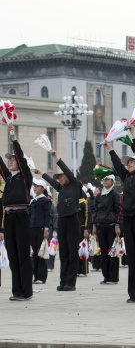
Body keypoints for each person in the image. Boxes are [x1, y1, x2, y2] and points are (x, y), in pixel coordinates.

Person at [105, 125, 135, 303]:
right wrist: (110, 149)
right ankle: (133, 293)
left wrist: (133, 136)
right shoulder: (127, 178)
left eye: (131, 162)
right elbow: (118, 165)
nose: (129, 164)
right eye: (129, 163)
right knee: (131, 258)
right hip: (129, 220)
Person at [37, 150, 81, 292]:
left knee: (72, 253)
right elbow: (50, 181)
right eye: (59, 177)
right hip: (62, 221)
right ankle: (63, 281)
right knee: (63, 254)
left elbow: (67, 171)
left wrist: (56, 158)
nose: (60, 179)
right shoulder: (60, 189)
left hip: (72, 221)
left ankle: (71, 282)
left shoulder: (74, 185)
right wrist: (42, 172)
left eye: (61, 176)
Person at [0, 123, 33, 301]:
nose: (10, 162)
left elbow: (19, 156)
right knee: (12, 255)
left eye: (12, 160)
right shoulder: (9, 178)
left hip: (21, 217)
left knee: (22, 255)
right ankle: (16, 290)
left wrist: (13, 135)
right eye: (9, 160)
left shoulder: (25, 176)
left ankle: (26, 291)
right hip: (10, 218)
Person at [91, 175, 121, 285]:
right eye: (104, 179)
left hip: (112, 225)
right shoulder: (99, 196)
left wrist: (117, 225)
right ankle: (106, 276)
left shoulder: (115, 195)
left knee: (112, 252)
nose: (105, 181)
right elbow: (95, 210)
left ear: (112, 181)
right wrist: (94, 224)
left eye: (107, 179)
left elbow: (119, 210)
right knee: (103, 252)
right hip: (100, 226)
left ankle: (113, 277)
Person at [29, 179, 51, 284]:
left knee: (41, 253)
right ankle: (36, 276)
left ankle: (42, 277)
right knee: (34, 253)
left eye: (37, 186)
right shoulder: (33, 201)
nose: (35, 188)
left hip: (41, 229)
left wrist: (46, 229)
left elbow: (48, 216)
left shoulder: (45, 201)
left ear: (42, 189)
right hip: (32, 229)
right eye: (34, 186)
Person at [77, 189, 89, 277]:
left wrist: (86, 229)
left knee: (83, 250)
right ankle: (77, 269)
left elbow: (87, 216)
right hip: (75, 229)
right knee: (76, 250)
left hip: (82, 228)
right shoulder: (74, 202)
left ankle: (84, 270)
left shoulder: (84, 203)